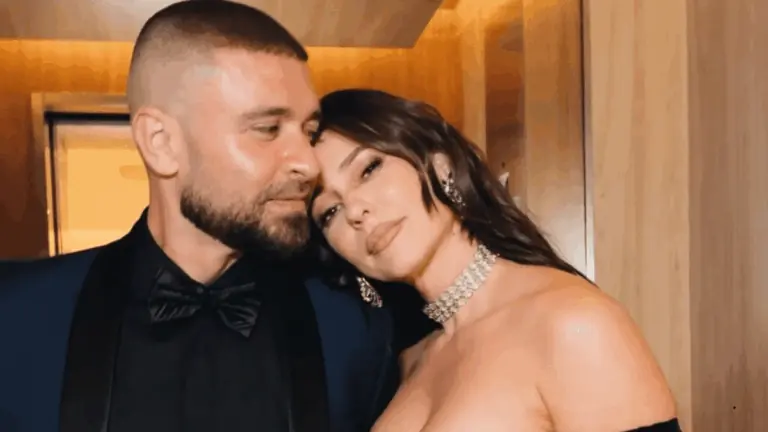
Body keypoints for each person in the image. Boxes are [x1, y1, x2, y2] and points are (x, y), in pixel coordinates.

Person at [0, 3, 399, 432]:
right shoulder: (15, 315)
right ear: (161, 144)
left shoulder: (352, 329)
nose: (308, 162)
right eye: (267, 129)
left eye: (309, 132)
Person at [308, 88, 682, 431]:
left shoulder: (572, 325)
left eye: (368, 169)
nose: (354, 210)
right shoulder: (409, 361)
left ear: (440, 165)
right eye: (329, 212)